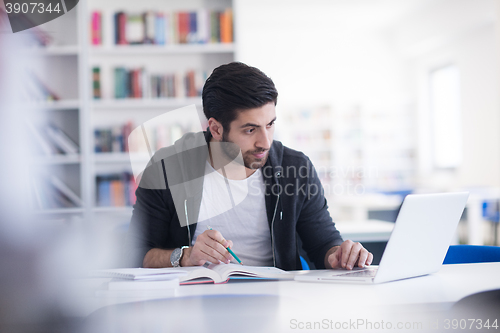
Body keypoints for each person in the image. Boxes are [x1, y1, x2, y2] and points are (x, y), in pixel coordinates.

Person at [126, 62, 373, 271]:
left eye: (270, 125)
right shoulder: (167, 169)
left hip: (276, 300)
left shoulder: (295, 168)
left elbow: (323, 244)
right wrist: (185, 256)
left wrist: (340, 256)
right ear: (215, 128)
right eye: (250, 129)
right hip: (192, 299)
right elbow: (137, 252)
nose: (265, 142)